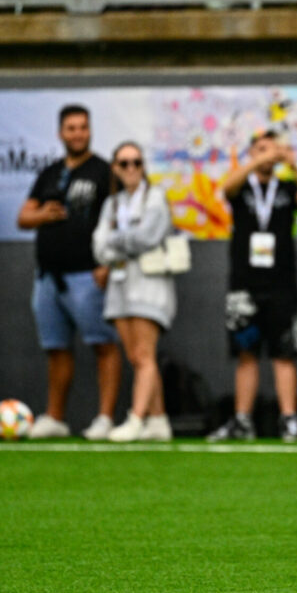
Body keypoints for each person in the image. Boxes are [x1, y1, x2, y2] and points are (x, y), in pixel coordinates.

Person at [17, 105, 122, 440]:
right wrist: (43, 215)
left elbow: (118, 219)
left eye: (82, 128)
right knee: (56, 348)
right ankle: (56, 417)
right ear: (60, 133)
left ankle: (105, 418)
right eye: (71, 128)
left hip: (87, 275)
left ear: (90, 131)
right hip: (48, 277)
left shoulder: (103, 171)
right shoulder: (49, 172)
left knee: (103, 344)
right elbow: (23, 217)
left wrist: (107, 263)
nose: (77, 133)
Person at [208, 131, 297, 443]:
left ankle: (289, 420)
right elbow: (226, 189)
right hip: (244, 284)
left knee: (285, 353)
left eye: (271, 150)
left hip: (282, 283)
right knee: (246, 353)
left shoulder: (285, 188)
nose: (267, 156)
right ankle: (243, 420)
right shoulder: (242, 188)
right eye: (260, 150)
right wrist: (255, 161)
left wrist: (294, 166)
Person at [92, 142, 176, 442]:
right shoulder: (111, 204)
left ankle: (136, 419)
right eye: (124, 163)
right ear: (114, 167)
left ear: (143, 166)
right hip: (119, 286)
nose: (131, 169)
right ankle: (159, 419)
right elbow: (98, 247)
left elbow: (148, 237)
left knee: (143, 354)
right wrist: (122, 243)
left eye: (136, 162)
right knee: (135, 356)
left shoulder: (155, 197)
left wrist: (115, 241)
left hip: (150, 286)